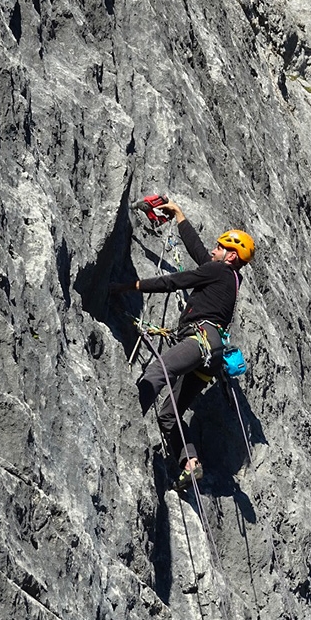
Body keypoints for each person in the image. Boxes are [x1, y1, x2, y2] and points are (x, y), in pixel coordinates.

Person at [112, 200, 254, 489]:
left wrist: (132, 286)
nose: (213, 250)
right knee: (169, 414)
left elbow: (176, 281)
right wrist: (178, 215)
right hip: (211, 357)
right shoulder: (229, 277)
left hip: (198, 340)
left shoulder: (219, 273)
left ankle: (125, 422)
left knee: (158, 371)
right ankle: (191, 463)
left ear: (229, 256)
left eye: (219, 247)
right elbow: (199, 252)